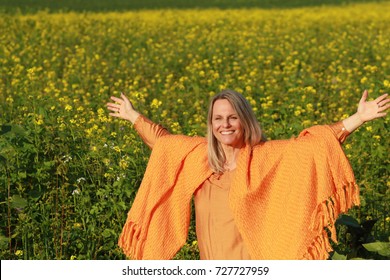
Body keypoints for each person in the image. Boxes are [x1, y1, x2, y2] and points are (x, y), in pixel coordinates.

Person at [106, 89, 389, 260]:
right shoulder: (198, 158)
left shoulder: (266, 158)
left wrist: (358, 119)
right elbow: (163, 143)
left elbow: (313, 147)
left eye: (232, 117)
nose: (225, 125)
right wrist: (134, 117)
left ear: (245, 120)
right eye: (218, 118)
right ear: (211, 123)